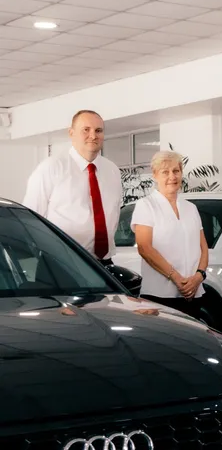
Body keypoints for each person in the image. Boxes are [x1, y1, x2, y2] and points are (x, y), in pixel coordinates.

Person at [23, 110, 122, 264]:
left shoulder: (112, 170)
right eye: (86, 130)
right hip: (61, 261)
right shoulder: (51, 167)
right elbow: (31, 219)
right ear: (71, 133)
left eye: (98, 130)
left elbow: (113, 214)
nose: (93, 135)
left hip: (103, 262)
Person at [131, 151, 209, 320]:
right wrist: (177, 278)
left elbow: (203, 248)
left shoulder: (190, 208)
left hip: (194, 293)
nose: (172, 177)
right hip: (160, 295)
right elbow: (145, 248)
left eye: (176, 171)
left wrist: (199, 276)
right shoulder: (146, 205)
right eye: (165, 172)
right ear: (155, 175)